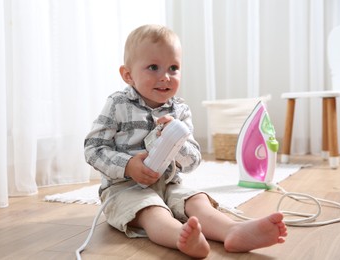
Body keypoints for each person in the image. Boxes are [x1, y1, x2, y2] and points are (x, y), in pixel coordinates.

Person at [84, 24, 287, 258]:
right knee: (152, 210)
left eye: (173, 68)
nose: (165, 77)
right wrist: (128, 165)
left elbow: (192, 162)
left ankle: (232, 230)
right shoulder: (117, 104)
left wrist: (177, 140)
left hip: (169, 183)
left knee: (196, 200)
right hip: (124, 188)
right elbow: (93, 148)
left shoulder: (179, 110)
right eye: (153, 67)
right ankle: (180, 237)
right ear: (128, 74)